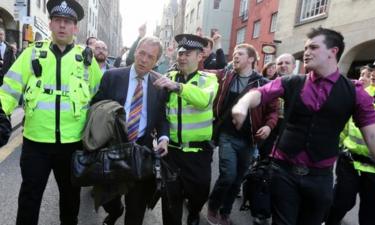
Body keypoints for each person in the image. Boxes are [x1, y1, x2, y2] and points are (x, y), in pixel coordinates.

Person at [231, 27, 375, 225]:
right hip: (283, 170)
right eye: (305, 47)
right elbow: (260, 92)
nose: (307, 52)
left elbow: (372, 136)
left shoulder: (356, 93)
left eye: (313, 47)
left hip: (320, 177)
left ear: (333, 51)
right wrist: (242, 104)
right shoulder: (292, 81)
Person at [0, 1, 103, 225]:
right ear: (50, 24)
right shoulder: (32, 53)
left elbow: (97, 95)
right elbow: (9, 89)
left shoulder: (86, 60)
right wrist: (1, 110)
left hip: (72, 143)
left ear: (75, 28)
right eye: (58, 21)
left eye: (67, 22)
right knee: (29, 197)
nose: (62, 26)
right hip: (36, 142)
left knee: (70, 198)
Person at [91, 36, 169, 225]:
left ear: (156, 61)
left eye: (150, 57)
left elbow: (160, 117)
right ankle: (115, 210)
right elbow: (96, 106)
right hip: (112, 146)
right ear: (135, 52)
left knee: (136, 208)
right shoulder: (112, 76)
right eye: (141, 53)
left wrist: (164, 137)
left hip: (140, 150)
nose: (143, 59)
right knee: (107, 197)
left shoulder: (160, 86)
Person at [207, 43, 279, 225]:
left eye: (240, 54)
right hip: (226, 136)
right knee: (228, 175)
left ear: (251, 59)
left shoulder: (263, 84)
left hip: (249, 141)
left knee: (238, 179)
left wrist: (269, 126)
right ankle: (213, 206)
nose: (235, 57)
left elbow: (273, 110)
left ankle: (225, 212)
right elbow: (204, 72)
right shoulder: (226, 76)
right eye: (235, 53)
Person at [325, 51, 375, 225]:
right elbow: (347, 126)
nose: (373, 73)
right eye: (373, 69)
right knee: (339, 204)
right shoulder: (362, 94)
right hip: (350, 163)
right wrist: (331, 148)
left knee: (369, 217)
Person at [153, 34, 219, 225]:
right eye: (180, 53)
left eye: (187, 53)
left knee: (199, 193)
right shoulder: (168, 77)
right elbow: (160, 112)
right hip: (171, 152)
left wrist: (177, 87)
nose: (182, 57)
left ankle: (195, 211)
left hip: (198, 153)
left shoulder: (209, 79)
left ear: (200, 56)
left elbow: (204, 101)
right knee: (170, 201)